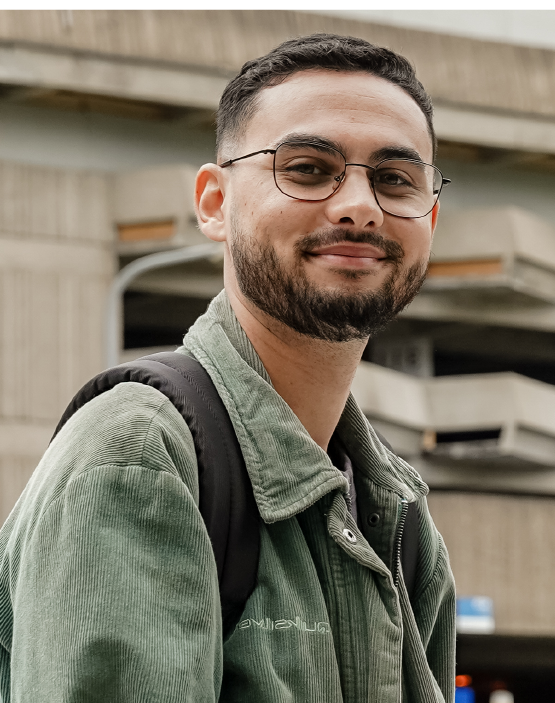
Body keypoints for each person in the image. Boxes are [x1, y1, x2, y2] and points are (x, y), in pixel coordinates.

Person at [0, 33, 455, 702]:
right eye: (307, 168)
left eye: (394, 179)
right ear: (215, 202)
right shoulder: (138, 457)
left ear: (431, 217)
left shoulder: (401, 518)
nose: (359, 205)